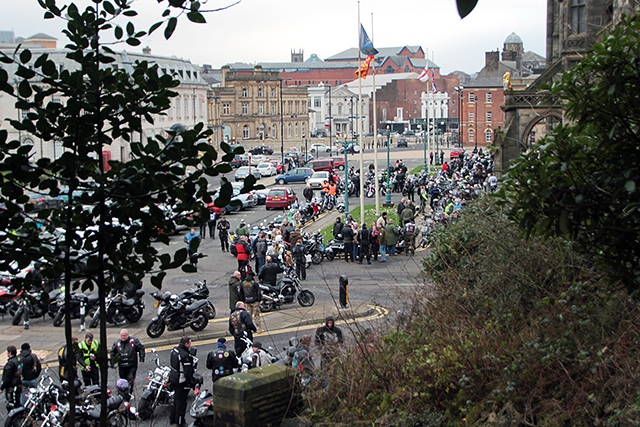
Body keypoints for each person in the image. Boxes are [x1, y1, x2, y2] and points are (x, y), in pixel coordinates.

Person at [169, 336, 194, 427]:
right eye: (190, 343)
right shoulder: (185, 355)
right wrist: (190, 382)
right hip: (181, 381)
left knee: (176, 400)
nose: (190, 345)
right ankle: (180, 421)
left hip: (174, 378)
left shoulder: (174, 351)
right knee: (181, 403)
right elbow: (187, 372)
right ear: (186, 344)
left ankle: (173, 419)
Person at [1, 345, 22, 410]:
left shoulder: (10, 363)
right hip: (18, 384)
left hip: (12, 387)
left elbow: (7, 378)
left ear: (10, 353)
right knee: (17, 402)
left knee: (11, 405)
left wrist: (2, 388)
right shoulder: (19, 359)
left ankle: (14, 419)